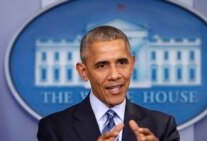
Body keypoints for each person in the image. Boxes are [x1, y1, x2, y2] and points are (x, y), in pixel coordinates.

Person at [37, 25, 180, 141]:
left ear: (132, 65)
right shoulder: (53, 128)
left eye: (122, 62)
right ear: (83, 72)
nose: (114, 75)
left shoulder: (162, 126)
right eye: (102, 66)